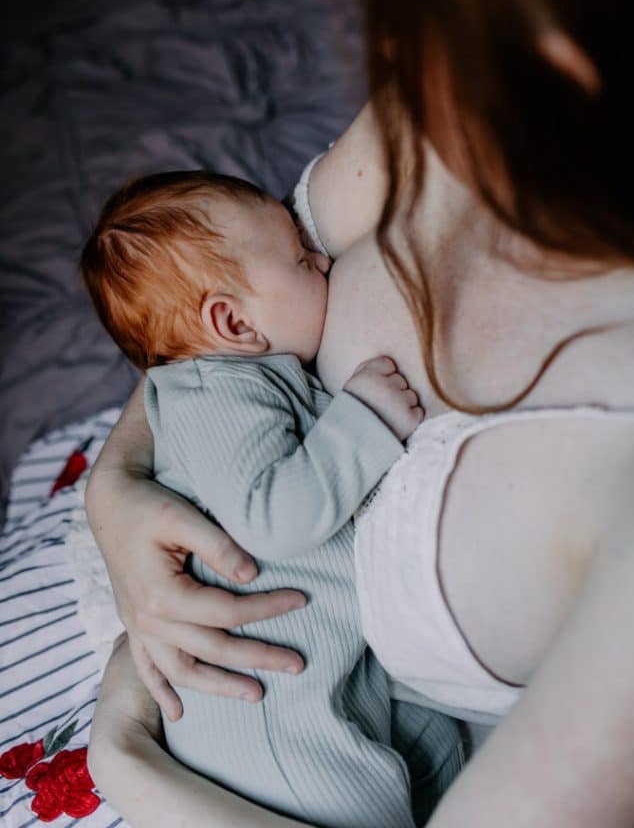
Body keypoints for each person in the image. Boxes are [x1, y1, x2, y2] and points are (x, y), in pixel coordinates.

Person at [85, 0, 634, 826]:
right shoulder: (442, 106)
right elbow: (203, 325)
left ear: (573, 51)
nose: (394, 56)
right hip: (223, 666)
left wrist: (125, 753)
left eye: (427, 4)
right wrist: (118, 488)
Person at [79, 169, 461, 828]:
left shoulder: (237, 382)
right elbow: (272, 520)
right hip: (277, 731)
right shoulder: (214, 396)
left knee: (445, 756)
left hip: (322, 683)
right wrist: (362, 420)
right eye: (299, 258)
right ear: (232, 320)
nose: (321, 260)